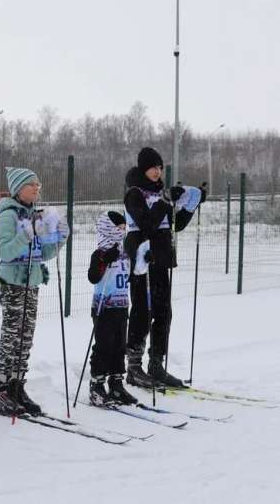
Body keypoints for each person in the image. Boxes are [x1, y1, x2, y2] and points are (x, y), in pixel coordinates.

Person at [123, 147, 205, 388]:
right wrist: (165, 201)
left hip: (160, 259)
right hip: (142, 258)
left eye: (160, 167)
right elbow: (146, 224)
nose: (157, 172)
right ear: (143, 169)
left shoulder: (161, 193)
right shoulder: (134, 193)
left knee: (163, 312)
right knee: (142, 311)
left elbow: (173, 225)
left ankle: (156, 364)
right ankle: (134, 367)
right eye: (153, 167)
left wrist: (191, 204)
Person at [0, 167, 68, 416]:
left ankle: (17, 385)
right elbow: (6, 252)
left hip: (32, 282)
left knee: (25, 337)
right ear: (18, 188)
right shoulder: (8, 215)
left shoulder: (35, 214)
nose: (36, 188)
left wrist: (59, 240)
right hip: (13, 283)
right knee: (11, 336)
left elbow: (42, 254)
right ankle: (1, 388)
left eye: (38, 184)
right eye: (31, 184)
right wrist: (27, 233)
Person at [86, 211, 138, 406]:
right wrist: (105, 259)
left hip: (122, 305)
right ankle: (96, 386)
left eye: (124, 228)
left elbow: (134, 272)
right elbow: (93, 277)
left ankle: (116, 384)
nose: (122, 231)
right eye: (119, 228)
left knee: (119, 346)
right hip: (104, 307)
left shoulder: (125, 252)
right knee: (104, 346)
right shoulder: (100, 252)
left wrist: (145, 259)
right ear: (108, 228)